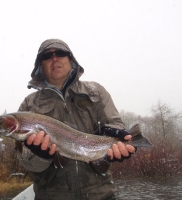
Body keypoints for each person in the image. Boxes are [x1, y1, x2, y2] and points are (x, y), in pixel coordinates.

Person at [16, 39, 136, 200]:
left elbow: (116, 125)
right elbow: (28, 163)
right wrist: (39, 155)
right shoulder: (28, 105)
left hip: (101, 195)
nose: (55, 58)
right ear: (40, 66)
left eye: (60, 53)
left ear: (71, 60)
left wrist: (115, 136)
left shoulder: (96, 92)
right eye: (47, 55)